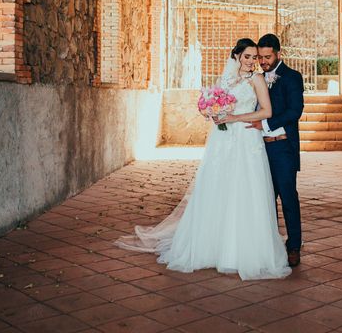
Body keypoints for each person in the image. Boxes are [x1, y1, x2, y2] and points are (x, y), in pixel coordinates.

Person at [116, 38, 291, 280]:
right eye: (248, 56)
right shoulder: (225, 79)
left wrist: (235, 118)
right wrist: (212, 112)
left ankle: (244, 250)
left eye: (255, 57)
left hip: (246, 140)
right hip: (222, 141)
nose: (252, 62)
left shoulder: (258, 79)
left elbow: (266, 112)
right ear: (238, 56)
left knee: (245, 189)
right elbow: (215, 103)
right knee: (217, 188)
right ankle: (212, 246)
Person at [246, 34, 304, 267]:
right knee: (265, 199)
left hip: (282, 147)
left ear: (279, 53)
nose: (262, 61)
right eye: (260, 57)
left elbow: (294, 111)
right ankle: (268, 244)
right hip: (258, 149)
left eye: (267, 57)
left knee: (288, 199)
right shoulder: (255, 77)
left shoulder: (292, 77)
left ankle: (294, 246)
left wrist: (267, 124)